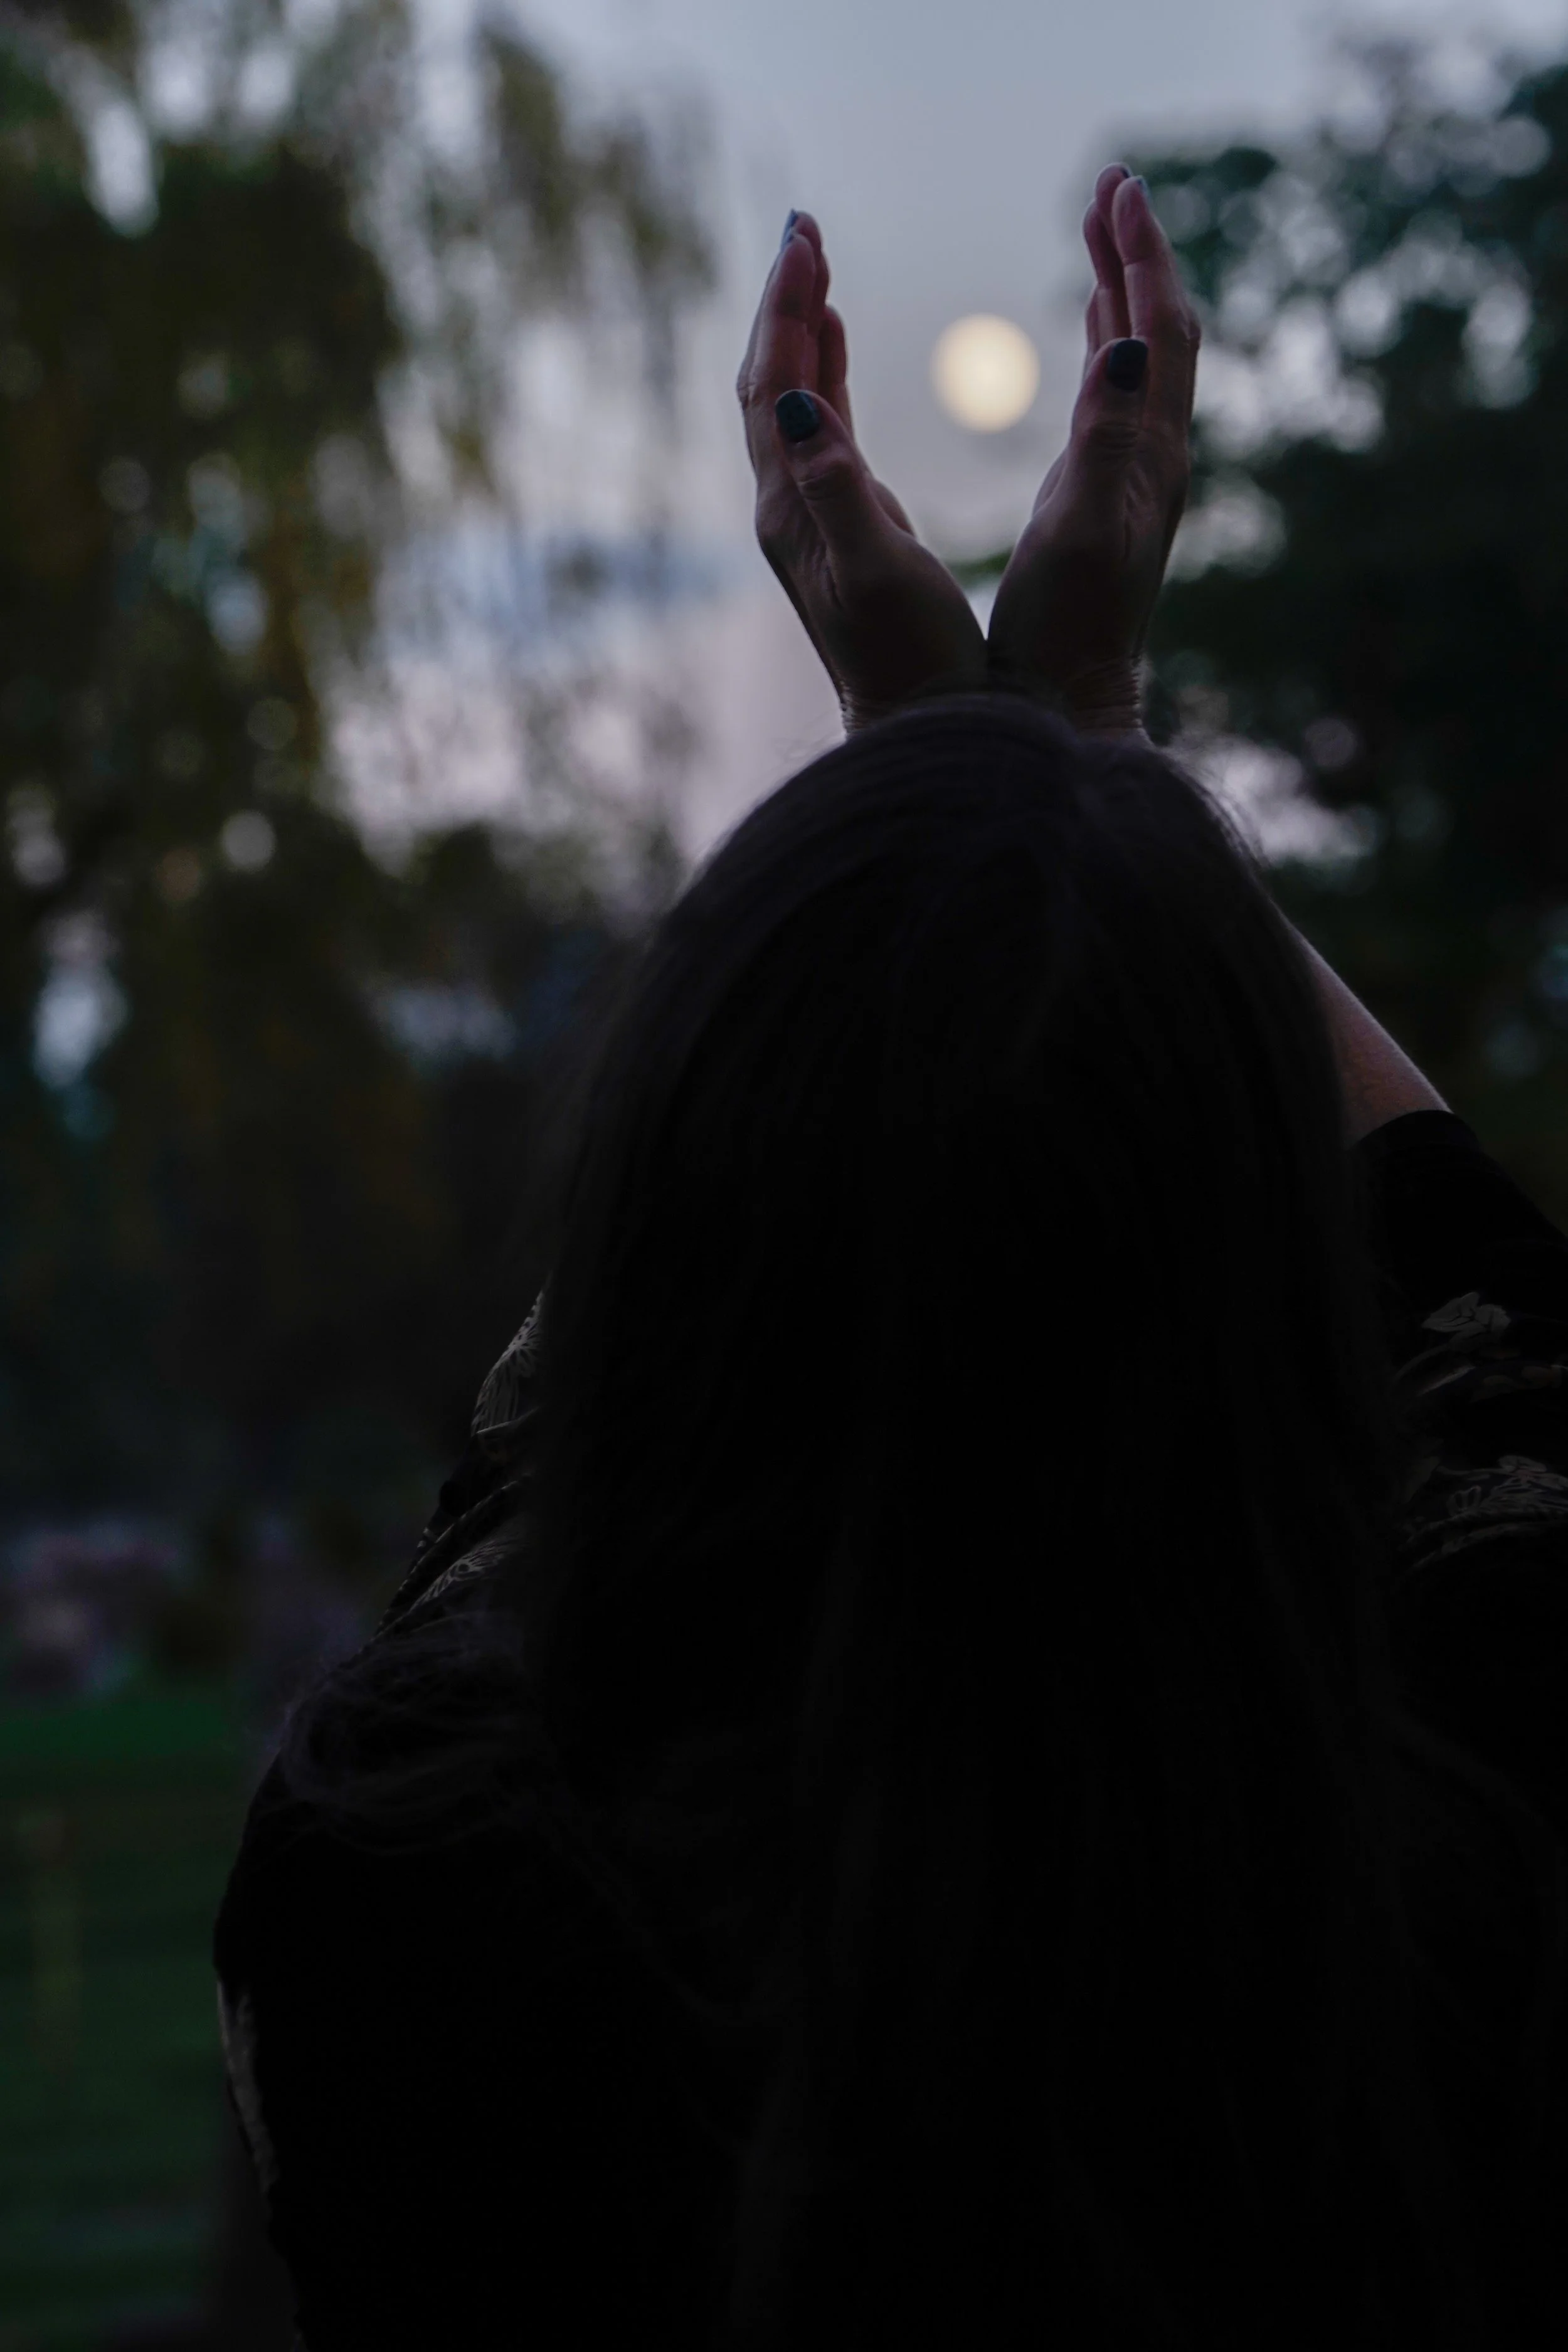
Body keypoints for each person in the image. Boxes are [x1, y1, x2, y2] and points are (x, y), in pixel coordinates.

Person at [213, 168, 1568, 2349]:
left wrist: (921, 789)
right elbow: (1501, 1345)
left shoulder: (406, 1918)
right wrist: (1084, 749)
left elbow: (540, 1491)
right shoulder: (1473, 1925)